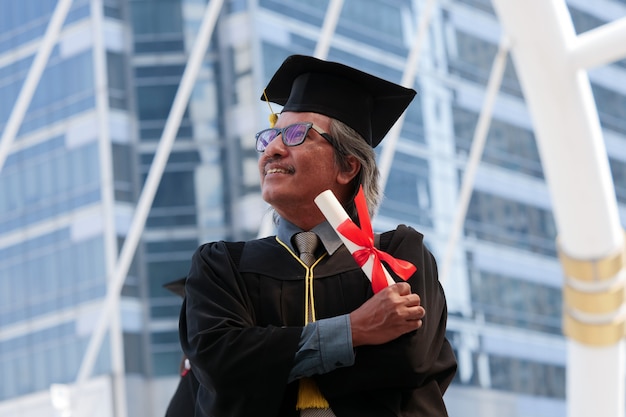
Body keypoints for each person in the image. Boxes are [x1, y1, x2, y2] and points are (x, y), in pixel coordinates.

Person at [179, 54, 457, 417]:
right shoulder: (221, 267)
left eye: (296, 135)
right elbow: (219, 363)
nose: (273, 149)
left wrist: (271, 367)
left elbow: (411, 359)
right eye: (271, 135)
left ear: (347, 165)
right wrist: (353, 331)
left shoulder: (399, 257)